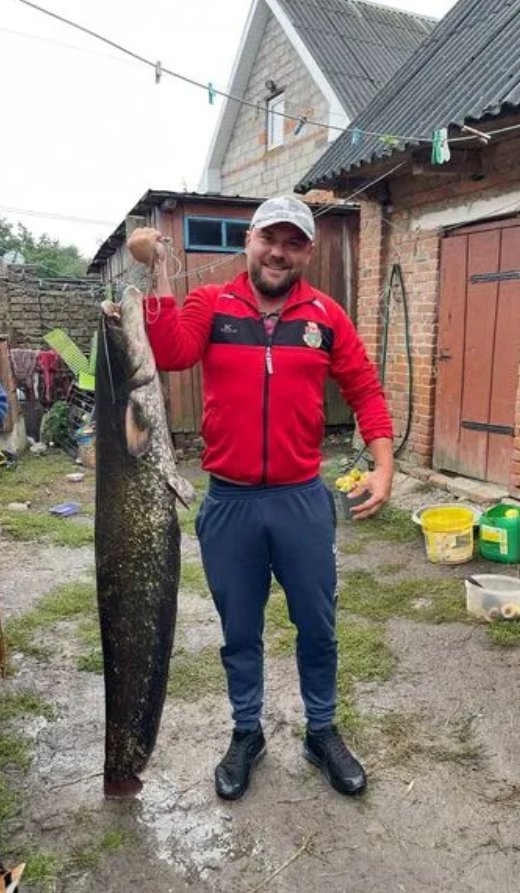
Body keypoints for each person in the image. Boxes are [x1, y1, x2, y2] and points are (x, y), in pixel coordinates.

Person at [127, 195, 394, 801]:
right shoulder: (211, 303)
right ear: (249, 240)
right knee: (240, 629)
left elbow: (364, 389)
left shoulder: (326, 316)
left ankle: (321, 731)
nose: (278, 252)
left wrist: (384, 466)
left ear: (308, 252)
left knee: (318, 626)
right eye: (269, 239)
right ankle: (246, 733)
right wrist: (158, 268)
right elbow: (170, 352)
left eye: (293, 243)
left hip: (301, 502)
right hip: (231, 505)